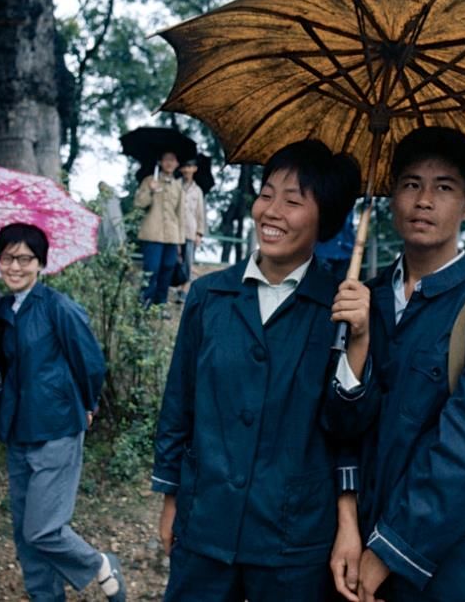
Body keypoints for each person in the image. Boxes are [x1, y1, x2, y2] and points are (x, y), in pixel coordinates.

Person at [152, 140, 367, 602]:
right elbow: (179, 404)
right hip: (205, 522)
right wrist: (172, 498)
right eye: (267, 193)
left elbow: (347, 428)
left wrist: (360, 340)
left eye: (293, 201)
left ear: (324, 219)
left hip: (292, 539)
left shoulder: (340, 309)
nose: (272, 211)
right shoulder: (209, 296)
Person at [325, 127, 465, 601]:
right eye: (410, 184)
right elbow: (340, 428)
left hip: (449, 562)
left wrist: (390, 550)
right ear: (391, 196)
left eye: (444, 187)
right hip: (355, 543)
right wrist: (348, 523)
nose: (424, 200)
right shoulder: (366, 298)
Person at [0, 222, 125, 602]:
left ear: (41, 262)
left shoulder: (58, 307)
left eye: (25, 258)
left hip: (57, 426)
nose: (15, 266)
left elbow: (90, 362)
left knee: (43, 528)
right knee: (24, 531)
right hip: (17, 429)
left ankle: (99, 564)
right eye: (7, 258)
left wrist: (88, 403)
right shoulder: (1, 309)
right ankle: (45, 596)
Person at [134, 151, 184, 305]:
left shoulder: (178, 186)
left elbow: (180, 215)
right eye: (166, 159)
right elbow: (138, 204)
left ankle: (160, 303)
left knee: (167, 269)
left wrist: (180, 242)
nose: (169, 163)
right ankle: (144, 303)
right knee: (151, 270)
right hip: (152, 234)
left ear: (177, 164)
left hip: (172, 237)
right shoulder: (149, 180)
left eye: (173, 160)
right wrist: (150, 190)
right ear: (160, 162)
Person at [177, 158, 207, 302]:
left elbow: (200, 213)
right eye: (184, 167)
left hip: (190, 231)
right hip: (174, 230)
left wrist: (199, 233)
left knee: (188, 261)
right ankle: (176, 284)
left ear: (194, 169)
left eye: (190, 167)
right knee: (175, 260)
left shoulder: (198, 190)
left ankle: (184, 289)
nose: (187, 170)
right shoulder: (175, 186)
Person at [315, 209, 356, 281]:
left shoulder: (349, 206)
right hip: (322, 253)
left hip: (345, 254)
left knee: (340, 286)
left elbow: (349, 226)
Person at [97, 181, 127, 251]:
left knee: (116, 240)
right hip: (106, 224)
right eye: (100, 188)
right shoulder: (100, 199)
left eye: (103, 186)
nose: (102, 189)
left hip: (114, 222)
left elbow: (116, 215)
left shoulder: (113, 196)